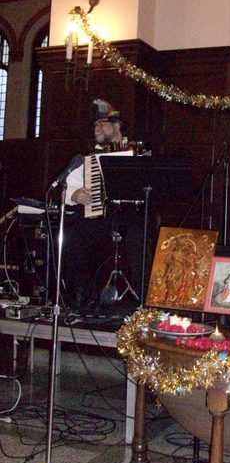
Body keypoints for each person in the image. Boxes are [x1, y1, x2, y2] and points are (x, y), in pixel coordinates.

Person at [62, 100, 147, 310]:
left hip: (130, 214)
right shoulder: (87, 158)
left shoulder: (138, 152)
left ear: (117, 126)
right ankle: (84, 294)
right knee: (73, 240)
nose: (97, 128)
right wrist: (75, 195)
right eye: (95, 125)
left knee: (140, 239)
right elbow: (66, 188)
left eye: (102, 124)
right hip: (100, 215)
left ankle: (144, 301)